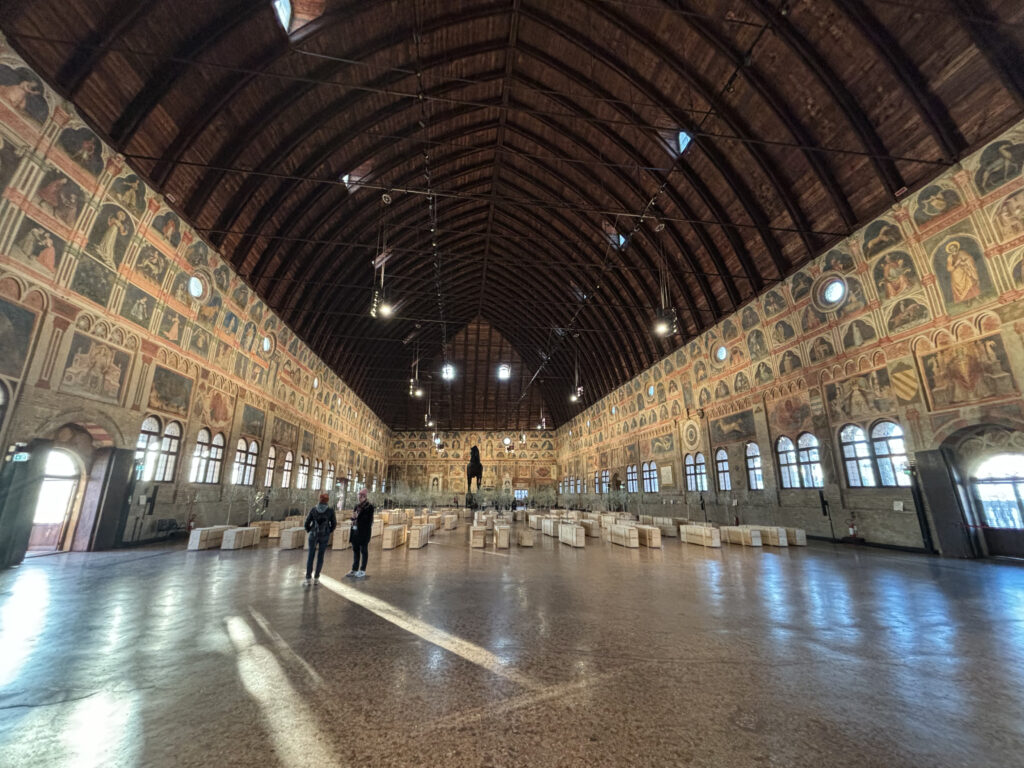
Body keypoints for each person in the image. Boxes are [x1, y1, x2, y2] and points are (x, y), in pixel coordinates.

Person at [303, 493, 336, 586]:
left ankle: (308, 579)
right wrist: (328, 531)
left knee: (310, 556)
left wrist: (310, 530)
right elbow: (334, 524)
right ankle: (316, 578)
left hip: (313, 535)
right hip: (324, 536)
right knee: (320, 557)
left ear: (319, 499)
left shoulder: (314, 509)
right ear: (327, 501)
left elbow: (307, 522)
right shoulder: (330, 511)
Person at [347, 488, 374, 578]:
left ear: (364, 497)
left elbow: (369, 521)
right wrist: (353, 518)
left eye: (361, 496)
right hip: (355, 532)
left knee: (364, 551)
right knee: (356, 551)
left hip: (363, 533)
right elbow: (354, 517)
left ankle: (362, 570)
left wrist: (358, 518)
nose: (359, 498)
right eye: (358, 496)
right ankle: (354, 569)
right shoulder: (356, 506)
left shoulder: (369, 507)